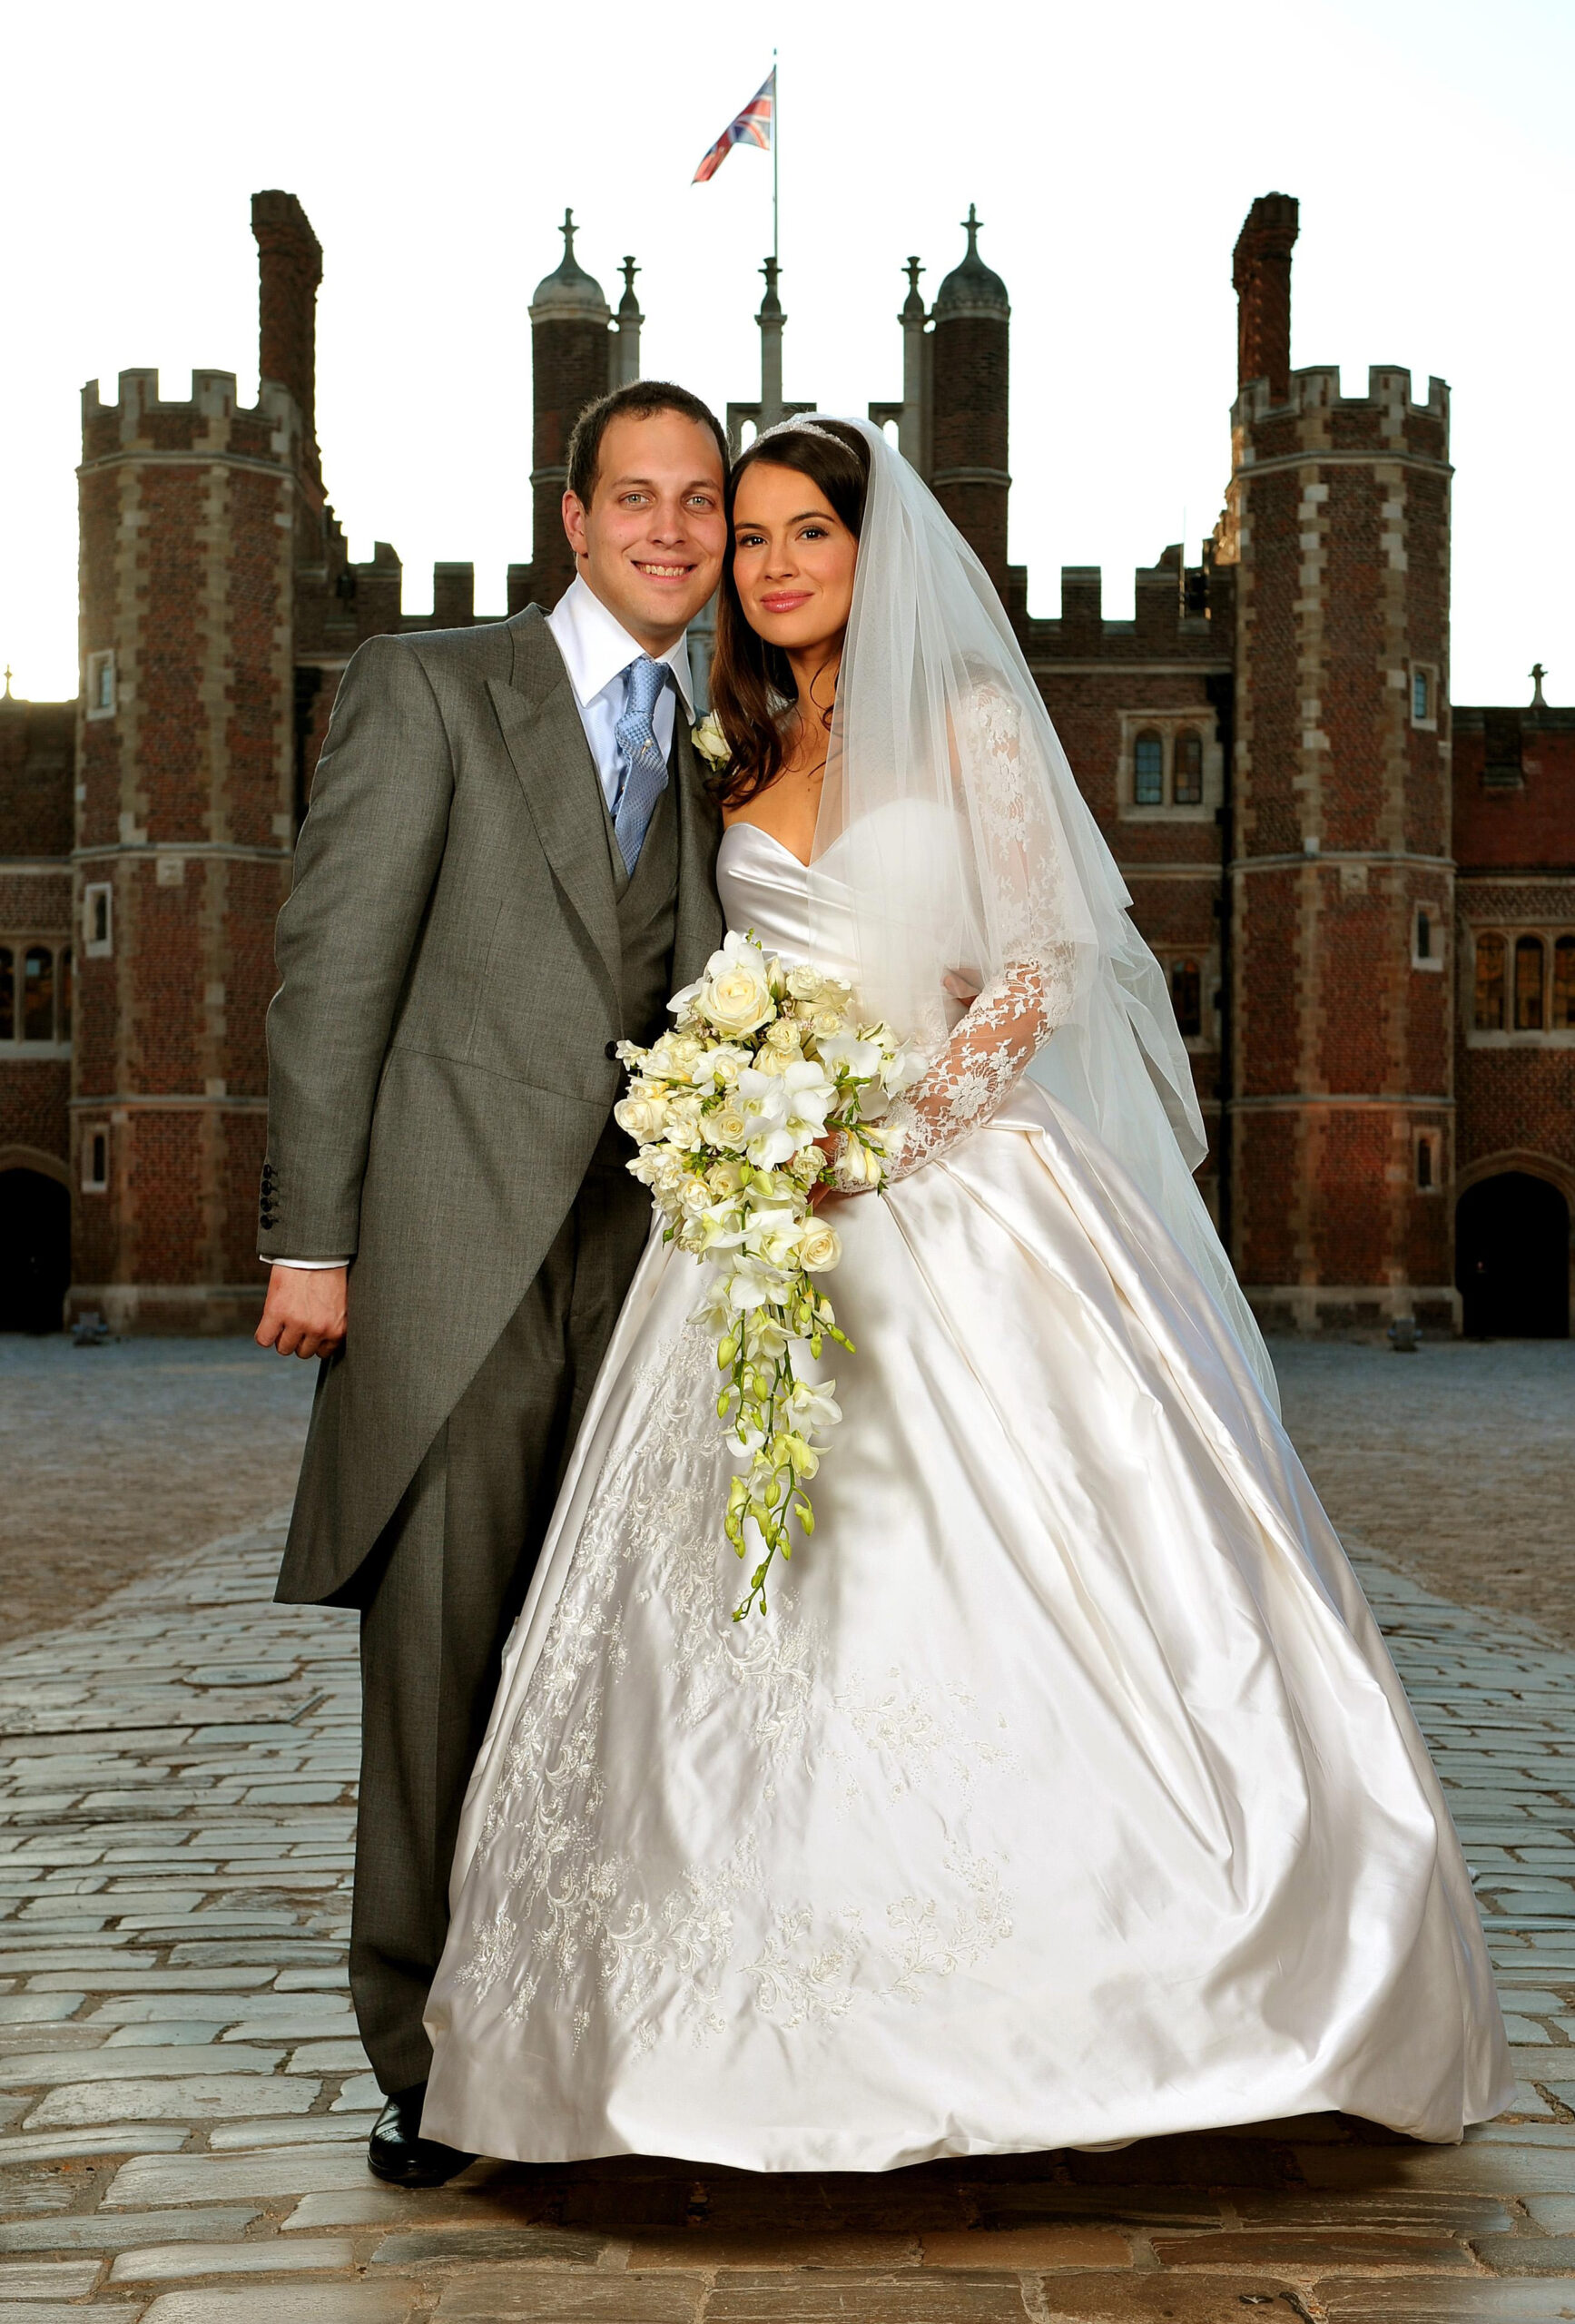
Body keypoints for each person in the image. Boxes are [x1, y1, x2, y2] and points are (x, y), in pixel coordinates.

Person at [422, 417, 1511, 2171]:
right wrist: (736, 1117)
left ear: (880, 548)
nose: (771, 567)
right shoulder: (733, 743)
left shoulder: (972, 723)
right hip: (754, 1226)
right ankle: (701, 2039)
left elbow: (1034, 972)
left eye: (805, 535)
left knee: (1044, 1586)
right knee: (723, 1628)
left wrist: (885, 1139)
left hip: (956, 1198)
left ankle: (1164, 2007)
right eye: (747, 539)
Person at [254, 381, 728, 2185]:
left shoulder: (716, 739)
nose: (674, 531)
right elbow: (332, 967)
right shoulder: (435, 683)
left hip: (645, 1277)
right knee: (442, 1670)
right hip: (451, 1269)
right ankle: (422, 2051)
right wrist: (317, 1235)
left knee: (604, 1672)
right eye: (639, 498)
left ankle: (571, 2031)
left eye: (700, 501)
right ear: (573, 514)